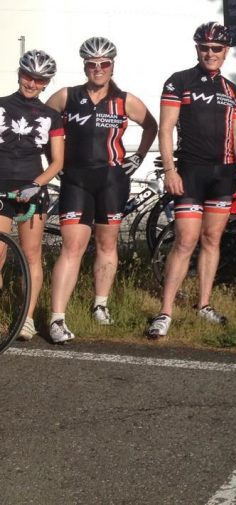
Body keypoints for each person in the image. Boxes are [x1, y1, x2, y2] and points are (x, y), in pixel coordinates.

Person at [46, 37, 157, 343]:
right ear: (84, 66)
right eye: (91, 64)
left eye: (103, 64)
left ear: (112, 66)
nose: (97, 69)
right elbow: (40, 123)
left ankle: (100, 305)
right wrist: (52, 161)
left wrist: (138, 157)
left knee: (107, 245)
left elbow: (152, 125)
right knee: (72, 247)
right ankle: (57, 318)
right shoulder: (66, 96)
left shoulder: (124, 100)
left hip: (111, 180)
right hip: (76, 180)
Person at [148, 22, 236, 338]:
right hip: (190, 173)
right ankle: (165, 311)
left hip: (222, 174)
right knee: (185, 240)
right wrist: (169, 170)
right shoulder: (179, 81)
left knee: (211, 240)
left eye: (216, 49)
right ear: (197, 49)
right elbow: (165, 129)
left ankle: (204, 304)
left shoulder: (231, 89)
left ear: (226, 52)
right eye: (204, 48)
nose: (210, 53)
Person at [0, 51, 64, 341]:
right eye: (28, 75)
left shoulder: (52, 116)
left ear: (46, 83)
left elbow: (57, 162)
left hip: (32, 190)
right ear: (19, 73)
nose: (32, 83)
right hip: (1, 187)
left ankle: (26, 319)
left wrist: (35, 185)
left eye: (39, 79)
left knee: (31, 255)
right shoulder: (1, 106)